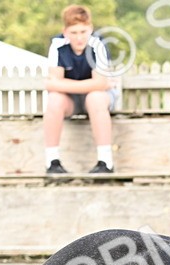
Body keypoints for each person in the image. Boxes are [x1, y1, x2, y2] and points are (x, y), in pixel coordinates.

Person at [43, 4, 118, 175]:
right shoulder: (57, 44)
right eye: (74, 33)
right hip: (72, 100)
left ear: (90, 29)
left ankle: (105, 161)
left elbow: (100, 86)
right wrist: (94, 83)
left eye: (83, 32)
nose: (79, 38)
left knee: (95, 97)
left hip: (98, 99)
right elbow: (52, 85)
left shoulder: (98, 44)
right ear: (65, 31)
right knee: (54, 99)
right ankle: (52, 162)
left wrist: (63, 84)